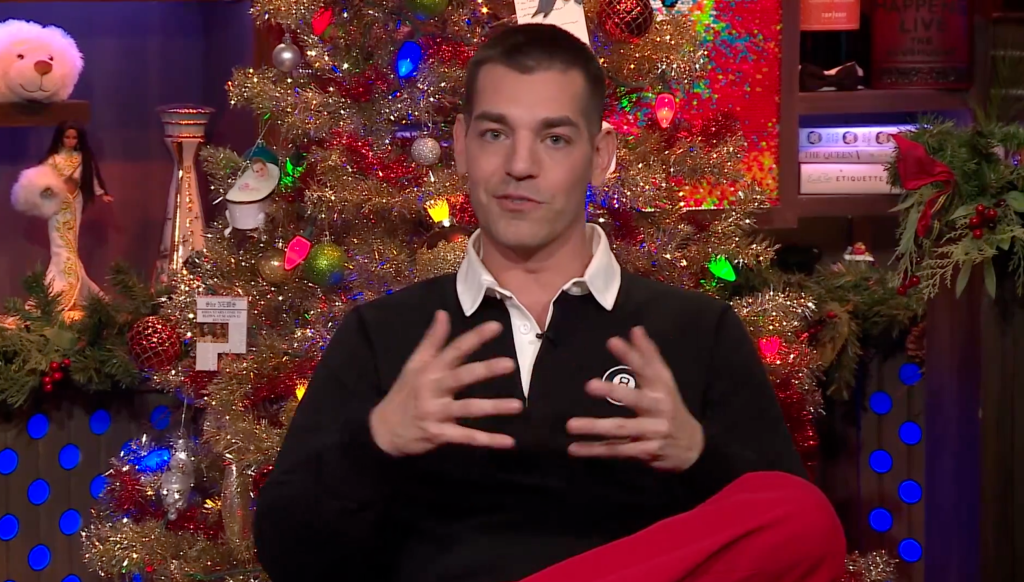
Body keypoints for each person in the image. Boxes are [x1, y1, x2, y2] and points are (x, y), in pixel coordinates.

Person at [254, 23, 844, 582]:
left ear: (601, 154)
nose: (519, 165)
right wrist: (376, 441)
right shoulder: (383, 334)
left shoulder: (696, 330)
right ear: (459, 145)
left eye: (554, 138)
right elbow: (288, 556)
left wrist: (698, 456)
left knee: (805, 513)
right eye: (494, 134)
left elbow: (794, 539)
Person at [39, 121, 112, 313]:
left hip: (74, 203)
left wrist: (101, 193)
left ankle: (72, 293)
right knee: (59, 247)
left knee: (71, 245)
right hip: (57, 205)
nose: (70, 141)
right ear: (60, 138)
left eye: (74, 137)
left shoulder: (82, 159)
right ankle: (60, 292)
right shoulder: (53, 160)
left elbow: (92, 177)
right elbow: (41, 181)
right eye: (67, 137)